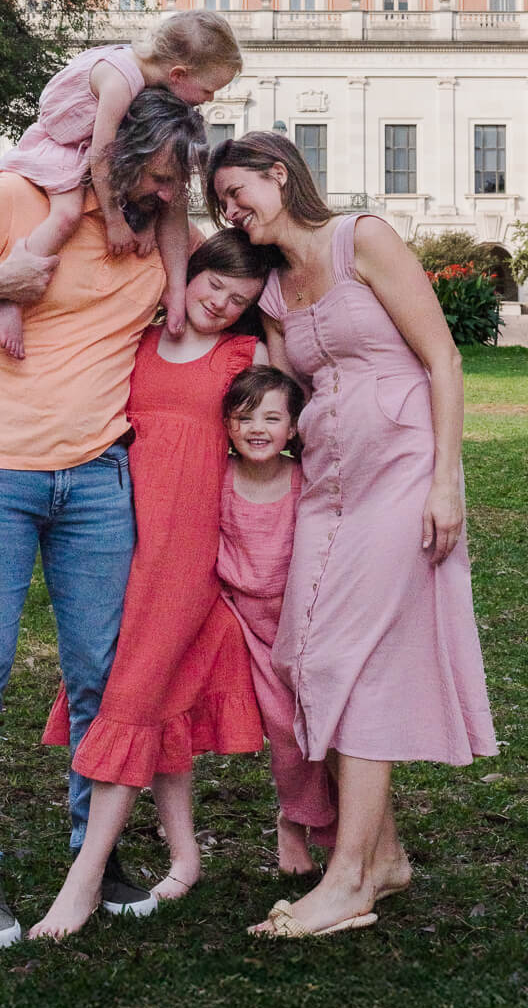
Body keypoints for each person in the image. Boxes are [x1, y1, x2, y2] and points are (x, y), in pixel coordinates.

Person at [0, 88, 206, 951]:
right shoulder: (18, 197)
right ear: (118, 152)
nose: (164, 192)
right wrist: (0, 284)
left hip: (99, 475)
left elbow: (224, 281)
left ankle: (94, 850)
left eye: (174, 181)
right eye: (153, 173)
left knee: (100, 679)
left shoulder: (156, 224)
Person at [209, 131, 498, 940]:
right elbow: (275, 390)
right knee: (303, 655)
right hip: (326, 483)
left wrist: (445, 480)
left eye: (239, 192)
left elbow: (441, 357)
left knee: (356, 657)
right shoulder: (271, 292)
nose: (232, 210)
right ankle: (386, 856)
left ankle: (347, 879)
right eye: (221, 204)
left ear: (278, 174)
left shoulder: (360, 238)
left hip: (402, 471)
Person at [24, 228, 283, 940]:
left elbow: (284, 417)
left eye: (239, 300)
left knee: (131, 696)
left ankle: (82, 882)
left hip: (183, 550)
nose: (222, 306)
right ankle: (185, 857)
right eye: (214, 287)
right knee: (155, 694)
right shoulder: (136, 338)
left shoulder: (244, 355)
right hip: (108, 538)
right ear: (189, 273)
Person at [0, 12, 242, 357]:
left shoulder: (148, 78)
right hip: (61, 147)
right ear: (178, 75)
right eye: (208, 89)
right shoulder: (121, 82)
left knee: (171, 196)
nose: (209, 99)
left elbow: (153, 180)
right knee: (65, 216)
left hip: (86, 149)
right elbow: (101, 156)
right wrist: (115, 220)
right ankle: (9, 288)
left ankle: (175, 293)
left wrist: (151, 222)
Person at [217, 365, 338, 878]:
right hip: (245, 625)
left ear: (293, 429)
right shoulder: (217, 478)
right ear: (226, 425)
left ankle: (339, 833)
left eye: (272, 417)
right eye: (244, 417)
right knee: (287, 736)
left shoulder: (303, 481)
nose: (257, 428)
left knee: (329, 730)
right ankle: (295, 822)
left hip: (303, 626)